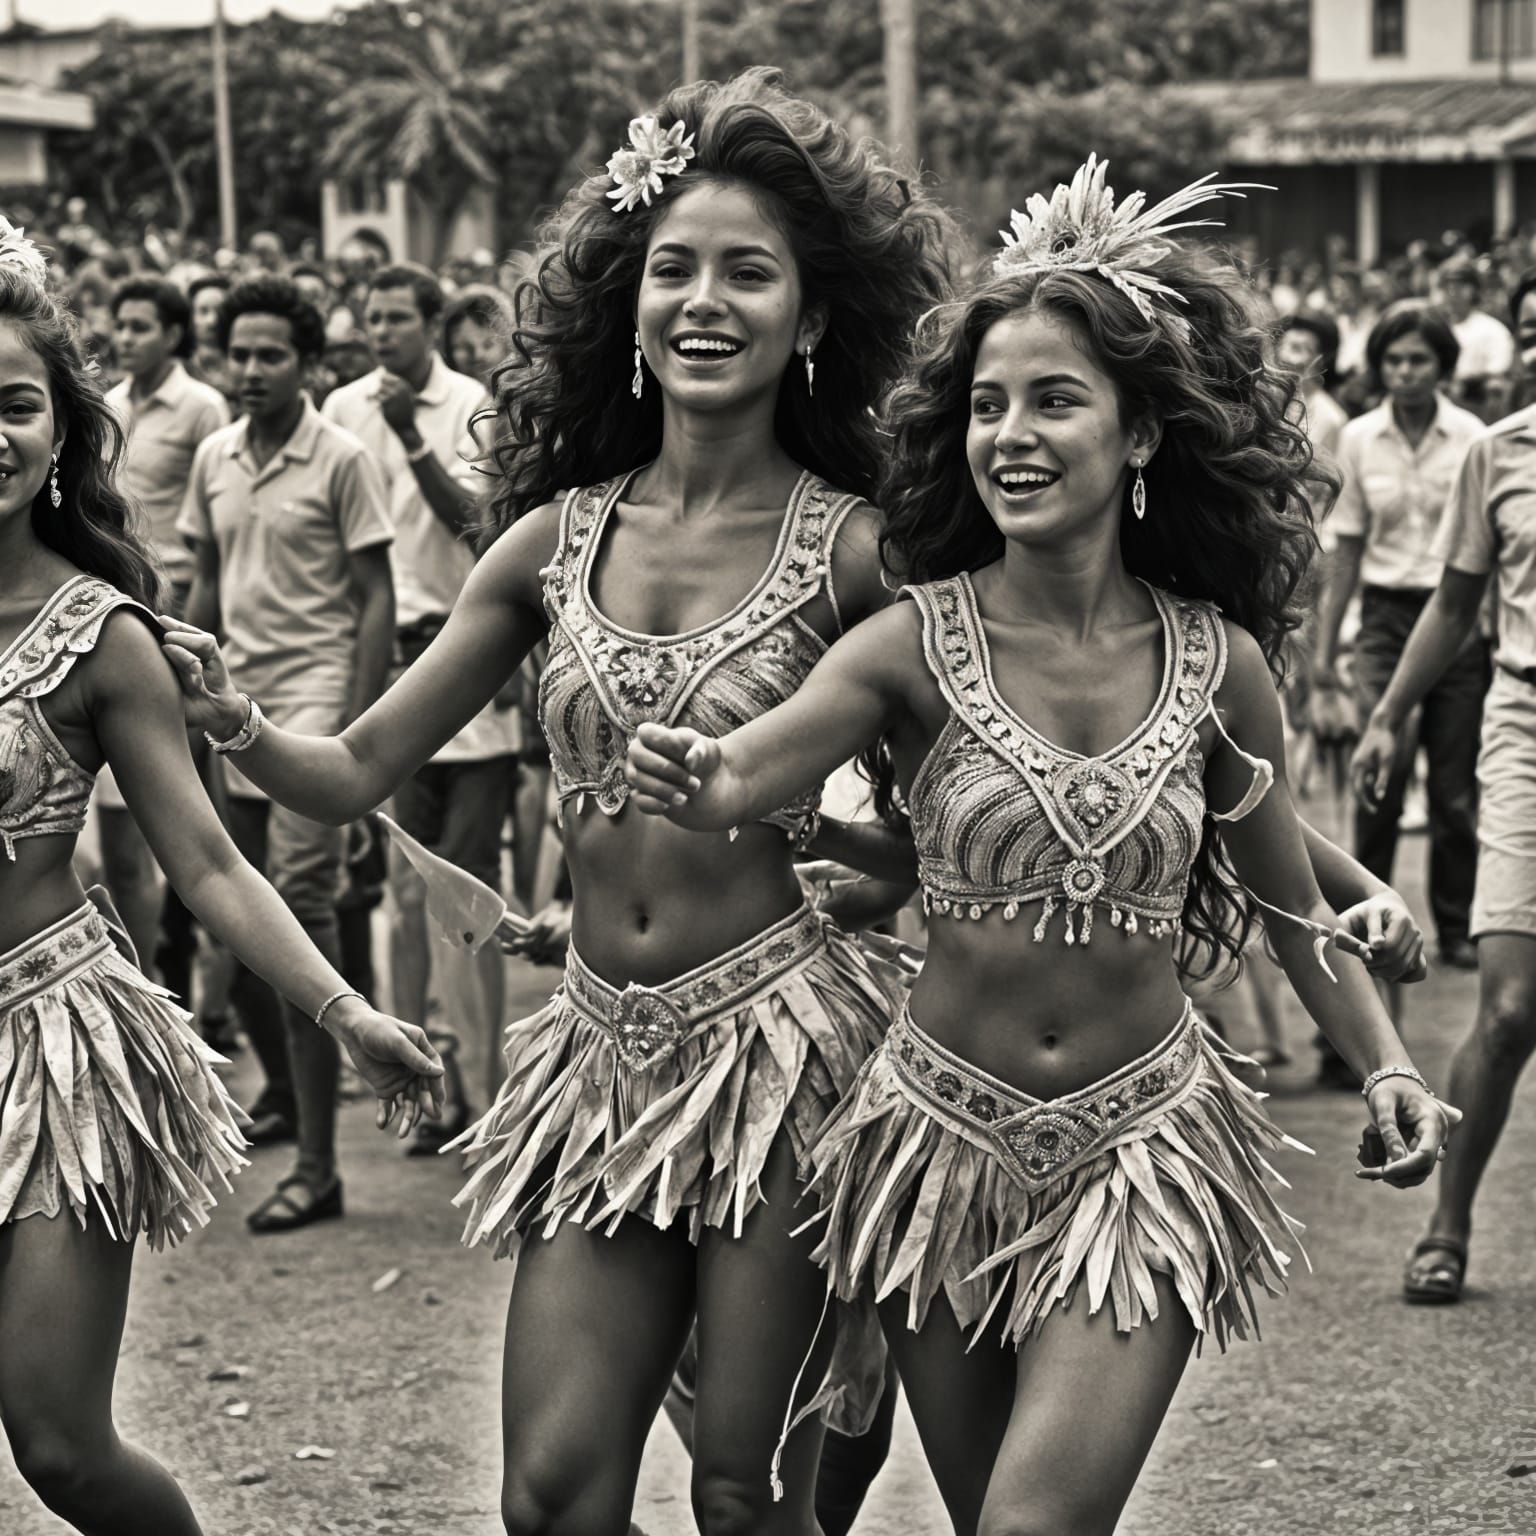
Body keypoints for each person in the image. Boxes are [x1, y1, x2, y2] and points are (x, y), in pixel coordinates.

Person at [162, 71, 951, 1536]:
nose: (703, 302)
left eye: (748, 273)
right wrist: (238, 723)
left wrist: (833, 841)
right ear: (626, 307)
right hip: (597, 1061)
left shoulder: (857, 551)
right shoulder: (546, 543)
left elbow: (941, 833)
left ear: (817, 317)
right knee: (552, 1497)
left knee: (744, 1491)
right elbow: (353, 769)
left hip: (783, 1063)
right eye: (674, 270)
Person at [626, 157, 1459, 1536]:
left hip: (1146, 1153)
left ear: (1139, 436)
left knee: (1031, 1527)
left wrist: (1388, 1067)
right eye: (988, 405)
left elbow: (1289, 905)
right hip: (933, 1147)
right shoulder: (910, 643)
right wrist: (694, 766)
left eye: (1055, 400)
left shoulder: (1218, 662)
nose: (1011, 434)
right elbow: (746, 772)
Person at [0, 223, 440, 1536]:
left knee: (63, 1448)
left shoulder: (100, 633)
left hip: (48, 1049)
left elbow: (206, 863)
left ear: (61, 430)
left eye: (14, 403)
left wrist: (344, 1012)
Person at [178, 275, 398, 1232]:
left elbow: (375, 601)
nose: (253, 371)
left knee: (298, 913)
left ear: (311, 365)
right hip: (227, 705)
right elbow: (206, 588)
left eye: (274, 355)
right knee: (235, 923)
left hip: (312, 711)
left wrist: (354, 744)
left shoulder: (343, 457)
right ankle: (292, 1097)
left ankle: (317, 1165)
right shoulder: (216, 457)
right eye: (240, 354)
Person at [1352, 327, 1536, 1304]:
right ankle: (1449, 1223)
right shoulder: (1499, 452)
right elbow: (1456, 607)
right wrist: (1387, 716)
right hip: (1525, 720)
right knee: (1510, 1010)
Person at [323, 261, 517, 1147]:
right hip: (392, 668)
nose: (382, 335)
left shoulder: (471, 406)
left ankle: (487, 1094)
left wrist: (408, 437)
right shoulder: (342, 409)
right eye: (372, 320)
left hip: (467, 664)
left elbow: (482, 530)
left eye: (398, 318)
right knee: (406, 894)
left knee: (468, 901)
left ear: (432, 323)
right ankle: (423, 1082)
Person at [1312, 303, 1486, 1016]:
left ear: (1442, 368)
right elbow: (1345, 548)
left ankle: (1454, 925)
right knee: (1378, 768)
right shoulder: (1358, 439)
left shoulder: (1473, 439)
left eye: (1418, 361)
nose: (1405, 374)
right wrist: (1324, 654)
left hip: (1458, 620)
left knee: (1451, 785)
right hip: (1382, 619)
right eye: (1393, 361)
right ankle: (1369, 910)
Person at [99, 277, 232, 972]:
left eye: (140, 326)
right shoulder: (106, 409)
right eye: (119, 325)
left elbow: (209, 542)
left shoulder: (203, 409)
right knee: (121, 848)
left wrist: (190, 636)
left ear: (174, 336)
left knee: (183, 832)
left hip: (168, 634)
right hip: (103, 624)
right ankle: (144, 977)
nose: (125, 338)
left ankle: (184, 976)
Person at [1439, 256, 1515, 417]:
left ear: (1474, 289)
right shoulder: (1438, 327)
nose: (1453, 292)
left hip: (1475, 405)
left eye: (1460, 285)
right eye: (1447, 286)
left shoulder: (1492, 330)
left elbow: (1498, 379)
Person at [185, 273, 235, 405]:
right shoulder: (180, 367)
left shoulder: (241, 364)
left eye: (219, 311)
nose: (212, 320)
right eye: (203, 311)